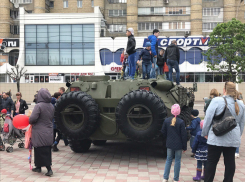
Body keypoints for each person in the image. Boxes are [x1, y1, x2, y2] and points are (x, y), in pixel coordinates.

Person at [202, 82, 245, 182]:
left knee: (211, 163)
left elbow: (208, 118)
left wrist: (205, 132)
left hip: (216, 137)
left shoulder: (217, 101)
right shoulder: (241, 105)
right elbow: (241, 124)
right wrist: (238, 136)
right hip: (232, 139)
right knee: (230, 162)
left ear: (224, 90)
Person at [29, 88, 55, 176]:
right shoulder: (51, 105)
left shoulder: (38, 106)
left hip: (39, 131)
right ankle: (38, 167)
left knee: (39, 149)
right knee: (46, 150)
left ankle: (49, 169)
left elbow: (32, 119)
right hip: (49, 130)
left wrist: (29, 119)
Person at [161, 104, 187, 182]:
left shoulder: (166, 120)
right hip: (178, 145)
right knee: (177, 161)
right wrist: (184, 146)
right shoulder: (181, 122)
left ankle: (165, 178)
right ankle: (176, 179)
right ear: (179, 112)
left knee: (168, 159)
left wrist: (167, 138)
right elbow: (183, 135)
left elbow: (163, 131)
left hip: (169, 143)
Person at [235, 91, 244, 158]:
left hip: (229, 124)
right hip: (237, 125)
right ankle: (236, 152)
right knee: (237, 138)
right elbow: (242, 120)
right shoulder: (241, 103)